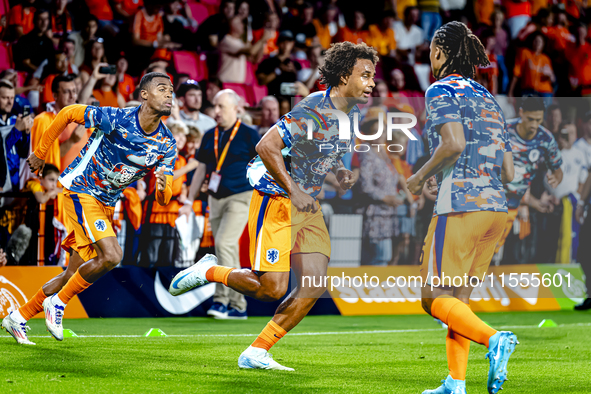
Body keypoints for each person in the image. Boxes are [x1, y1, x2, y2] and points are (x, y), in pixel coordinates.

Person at [170, 41, 376, 370]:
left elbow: (324, 148)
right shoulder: (314, 106)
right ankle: (209, 271)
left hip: (307, 206)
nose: (372, 83)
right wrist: (294, 190)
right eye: (365, 75)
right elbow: (267, 146)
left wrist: (338, 170)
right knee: (270, 289)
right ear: (342, 76)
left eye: (372, 76)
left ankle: (257, 351)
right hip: (277, 199)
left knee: (313, 284)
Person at [1, 72, 177, 345]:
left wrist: (164, 187)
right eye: (162, 89)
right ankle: (58, 304)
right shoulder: (117, 118)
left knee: (72, 274)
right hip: (81, 190)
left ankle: (18, 317)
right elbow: (69, 112)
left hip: (105, 204)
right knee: (112, 254)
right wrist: (40, 151)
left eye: (171, 90)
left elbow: (164, 200)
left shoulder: (166, 144)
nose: (169, 94)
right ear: (144, 95)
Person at [405, 22, 516, 394]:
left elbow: (452, 144)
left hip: (460, 206)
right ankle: (456, 382)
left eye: (433, 51)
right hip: (496, 207)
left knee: (433, 298)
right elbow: (509, 169)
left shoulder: (439, 90)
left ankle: (495, 339)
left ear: (440, 52)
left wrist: (420, 177)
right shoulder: (488, 98)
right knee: (459, 301)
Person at [178, 89, 260, 320]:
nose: (216, 111)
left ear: (236, 109)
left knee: (224, 243)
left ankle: (221, 301)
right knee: (226, 247)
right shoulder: (209, 135)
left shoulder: (249, 134)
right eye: (214, 106)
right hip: (215, 198)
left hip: (241, 196)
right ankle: (239, 305)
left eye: (221, 107)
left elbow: (265, 162)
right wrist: (189, 200)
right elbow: (201, 169)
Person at [494, 97, 563, 258]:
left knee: (503, 253)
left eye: (538, 120)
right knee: (480, 250)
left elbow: (558, 169)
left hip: (515, 205)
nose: (534, 125)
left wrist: (557, 177)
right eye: (530, 119)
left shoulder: (545, 139)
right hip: (492, 199)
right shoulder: (504, 129)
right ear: (521, 113)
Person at [0, 80, 33, 192]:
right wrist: (16, 131)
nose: (10, 102)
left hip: (14, 181)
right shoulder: (16, 125)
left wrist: (26, 133)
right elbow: (2, 151)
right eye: (5, 98)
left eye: (12, 98)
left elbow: (23, 153)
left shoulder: (15, 120)